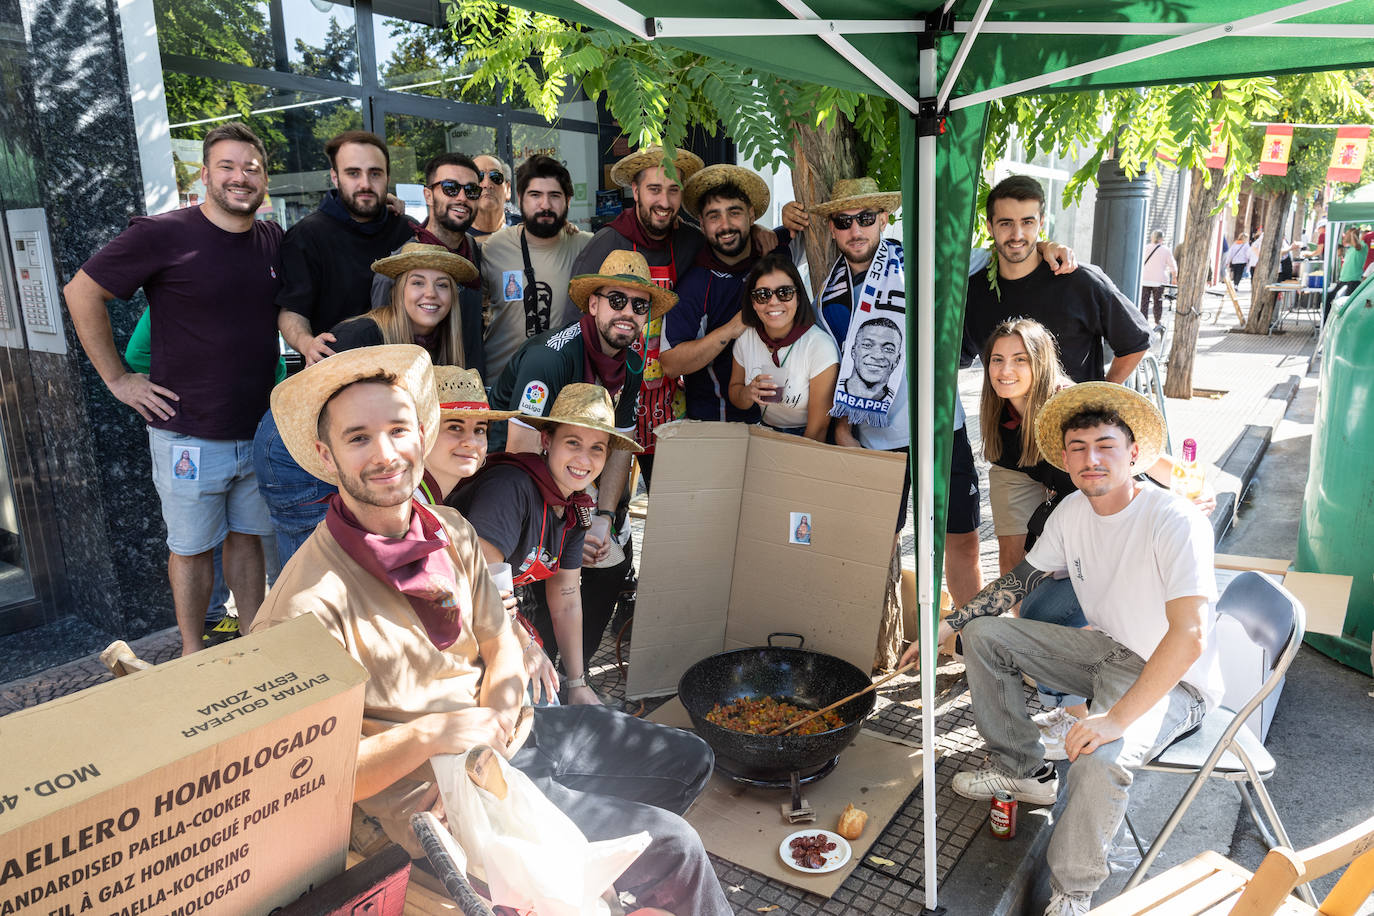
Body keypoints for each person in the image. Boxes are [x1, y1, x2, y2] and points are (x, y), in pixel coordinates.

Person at [249, 345, 729, 915]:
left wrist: (499, 715)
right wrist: (433, 737)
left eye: (398, 430)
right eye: (358, 438)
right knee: (674, 846)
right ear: (327, 457)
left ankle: (597, 892)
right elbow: (304, 780)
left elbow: (501, 638)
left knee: (691, 759)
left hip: (508, 737)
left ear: (419, 436)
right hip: (437, 800)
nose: (385, 453)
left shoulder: (447, 527)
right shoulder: (305, 604)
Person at [904, 382, 1221, 916]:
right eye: (1078, 449)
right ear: (1065, 459)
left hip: (1171, 679)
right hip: (1106, 650)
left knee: (1099, 756)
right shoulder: (1072, 510)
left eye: (1105, 446)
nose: (1090, 459)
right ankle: (1023, 771)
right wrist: (946, 625)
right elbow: (1019, 582)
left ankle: (1074, 894)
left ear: (1134, 454)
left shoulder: (1174, 520)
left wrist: (1114, 720)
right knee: (982, 634)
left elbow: (1189, 638)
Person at [64, 121, 277, 656]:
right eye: (227, 166)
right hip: (188, 433)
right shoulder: (163, 234)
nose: (240, 177)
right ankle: (191, 651)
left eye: (251, 168)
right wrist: (118, 379)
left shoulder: (272, 239)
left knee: (247, 540)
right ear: (204, 174)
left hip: (255, 427)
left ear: (264, 180)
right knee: (190, 547)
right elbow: (81, 292)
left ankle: (253, 644)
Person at [802, 177, 985, 649]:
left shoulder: (920, 263)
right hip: (876, 442)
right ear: (833, 229)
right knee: (879, 544)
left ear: (884, 218)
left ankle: (978, 647)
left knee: (961, 544)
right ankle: (864, 646)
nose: (856, 230)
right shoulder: (829, 296)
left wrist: (1042, 245)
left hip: (943, 429)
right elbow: (839, 369)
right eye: (844, 222)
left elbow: (991, 259)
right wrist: (843, 428)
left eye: (866, 218)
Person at [489, 251, 677, 676]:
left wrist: (602, 518)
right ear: (593, 304)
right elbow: (520, 454)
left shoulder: (631, 364)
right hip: (512, 482)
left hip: (574, 469)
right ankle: (540, 668)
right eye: (616, 299)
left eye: (639, 304)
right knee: (547, 571)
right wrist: (567, 520)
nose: (628, 312)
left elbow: (621, 447)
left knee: (615, 554)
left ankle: (576, 666)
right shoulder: (550, 358)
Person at [451, 384, 640, 703]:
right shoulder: (510, 487)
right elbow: (481, 582)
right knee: (534, 704)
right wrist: (525, 647)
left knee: (551, 697)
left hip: (497, 620)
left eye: (597, 448)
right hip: (456, 621)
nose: (584, 458)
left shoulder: (576, 507)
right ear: (546, 441)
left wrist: (577, 683)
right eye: (573, 442)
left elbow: (566, 595)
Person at [964, 175, 1150, 387]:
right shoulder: (974, 291)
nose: (1017, 234)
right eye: (1006, 223)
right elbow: (958, 358)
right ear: (990, 227)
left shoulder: (1080, 281)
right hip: (1004, 420)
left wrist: (1100, 396)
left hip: (1075, 418)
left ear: (1041, 223)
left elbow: (1136, 340)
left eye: (1027, 222)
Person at [661, 163, 789, 424]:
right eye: (714, 216)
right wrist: (733, 328)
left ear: (752, 215)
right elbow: (671, 363)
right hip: (718, 423)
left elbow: (810, 227)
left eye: (734, 213)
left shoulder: (774, 254)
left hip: (784, 421)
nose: (725, 225)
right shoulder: (695, 284)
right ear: (702, 224)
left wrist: (791, 212)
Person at [276, 130, 414, 366]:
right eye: (353, 173)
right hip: (334, 375)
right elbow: (292, 310)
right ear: (335, 176)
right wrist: (306, 342)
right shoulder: (307, 235)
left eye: (375, 173)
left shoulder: (407, 230)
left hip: (403, 371)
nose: (365, 184)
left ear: (387, 176)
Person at [371, 152, 486, 373]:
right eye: (450, 188)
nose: (462, 197)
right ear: (428, 195)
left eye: (471, 190)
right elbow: (384, 345)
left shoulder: (474, 251)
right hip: (416, 392)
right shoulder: (397, 268)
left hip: (471, 391)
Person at [479, 155, 593, 380]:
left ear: (568, 200)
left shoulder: (587, 247)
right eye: (535, 195)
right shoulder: (495, 247)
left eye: (555, 196)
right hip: (501, 387)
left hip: (562, 387)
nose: (545, 205)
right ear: (520, 198)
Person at [728, 254, 838, 441]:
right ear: (753, 303)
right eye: (763, 295)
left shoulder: (819, 346)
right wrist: (748, 393)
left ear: (798, 297)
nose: (773, 302)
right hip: (765, 431)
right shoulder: (746, 339)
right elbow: (736, 395)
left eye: (784, 293)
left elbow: (818, 428)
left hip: (807, 437)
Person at [332, 242, 476, 365]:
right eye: (418, 283)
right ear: (398, 292)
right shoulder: (358, 337)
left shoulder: (447, 342)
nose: (431, 293)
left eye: (442, 285)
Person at [470, 154, 518, 239]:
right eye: (478, 177)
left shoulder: (527, 230)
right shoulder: (455, 235)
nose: (487, 184)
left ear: (508, 189)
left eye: (495, 177)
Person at [1139, 230, 1176, 327]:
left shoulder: (1145, 248)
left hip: (1145, 280)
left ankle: (1143, 323)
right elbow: (1173, 266)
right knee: (1158, 302)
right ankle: (1157, 322)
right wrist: (1174, 277)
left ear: (1152, 238)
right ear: (1161, 239)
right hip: (1159, 282)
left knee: (1144, 302)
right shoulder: (1166, 250)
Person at [1331, 225, 1369, 304]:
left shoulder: (1362, 245)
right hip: (1343, 280)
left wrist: (1353, 235)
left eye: (1347, 234)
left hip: (1353, 281)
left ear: (1353, 235)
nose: (1345, 235)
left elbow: (1357, 246)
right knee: (1330, 301)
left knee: (1345, 304)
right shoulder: (1350, 249)